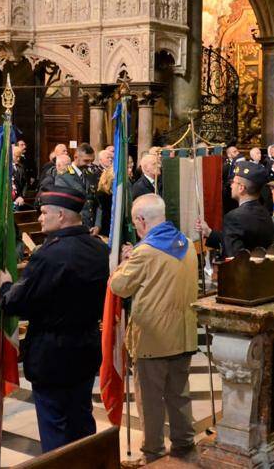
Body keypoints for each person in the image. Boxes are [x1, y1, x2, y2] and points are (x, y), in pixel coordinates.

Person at [0, 186, 108, 452]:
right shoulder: (99, 248)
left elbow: (18, 304)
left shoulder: (49, 254)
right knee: (82, 420)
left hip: (52, 352)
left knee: (55, 427)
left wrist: (4, 287)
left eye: (44, 212)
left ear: (61, 216)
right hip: (86, 346)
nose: (39, 217)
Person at [109, 194, 197, 462]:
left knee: (150, 401)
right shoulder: (188, 244)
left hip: (153, 339)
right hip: (183, 335)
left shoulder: (144, 252)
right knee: (179, 393)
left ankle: (154, 454)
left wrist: (124, 261)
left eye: (136, 223)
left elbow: (118, 286)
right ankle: (184, 444)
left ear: (142, 220)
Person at [197, 160, 273, 259]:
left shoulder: (234, 217)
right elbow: (241, 240)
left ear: (241, 188)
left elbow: (233, 258)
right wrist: (209, 233)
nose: (231, 185)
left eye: (233, 182)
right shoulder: (264, 212)